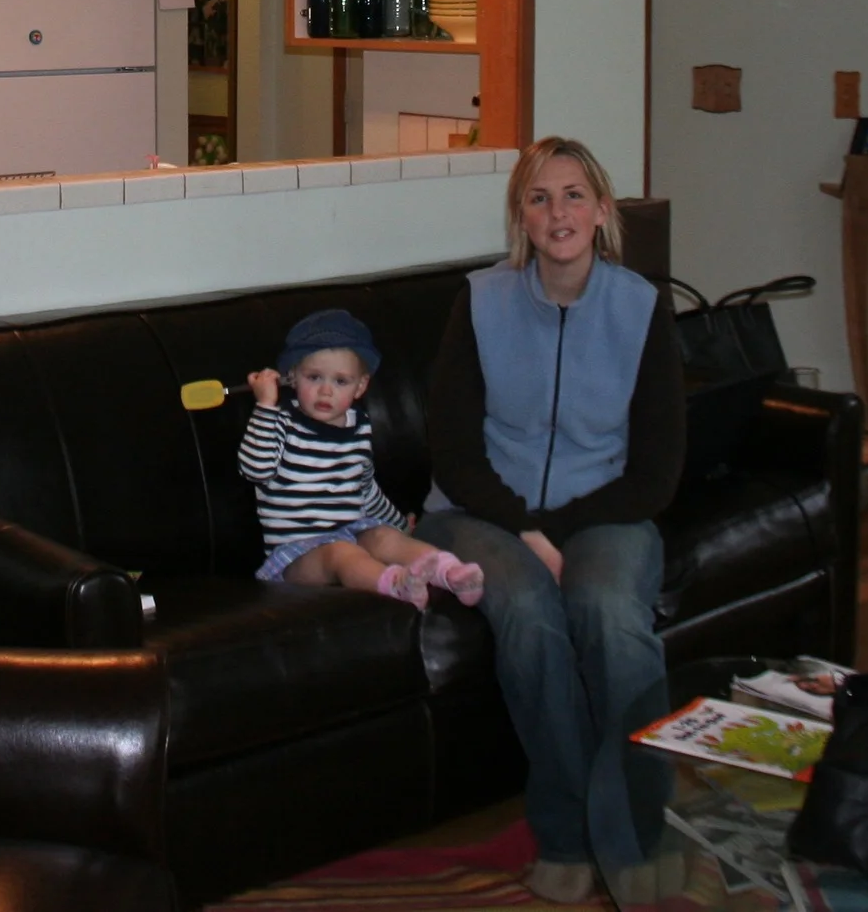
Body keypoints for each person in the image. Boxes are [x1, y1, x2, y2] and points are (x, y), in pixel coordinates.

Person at [416, 137, 685, 906]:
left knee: (606, 609)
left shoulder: (640, 309)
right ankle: (566, 833)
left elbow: (656, 471)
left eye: (573, 195)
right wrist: (530, 532)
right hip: (478, 514)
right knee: (530, 612)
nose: (557, 212)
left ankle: (636, 832)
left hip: (607, 509)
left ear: (602, 210)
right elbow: (455, 451)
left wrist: (562, 528)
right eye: (539, 197)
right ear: (521, 217)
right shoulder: (482, 301)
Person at [241, 308, 485, 607]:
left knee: (384, 537)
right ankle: (396, 584)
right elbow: (256, 469)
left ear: (361, 386)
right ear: (291, 377)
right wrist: (265, 406)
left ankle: (451, 572)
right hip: (298, 557)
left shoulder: (359, 428)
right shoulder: (280, 424)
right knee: (342, 553)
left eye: (341, 381)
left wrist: (399, 524)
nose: (326, 390)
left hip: (352, 533)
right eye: (314, 377)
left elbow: (365, 488)